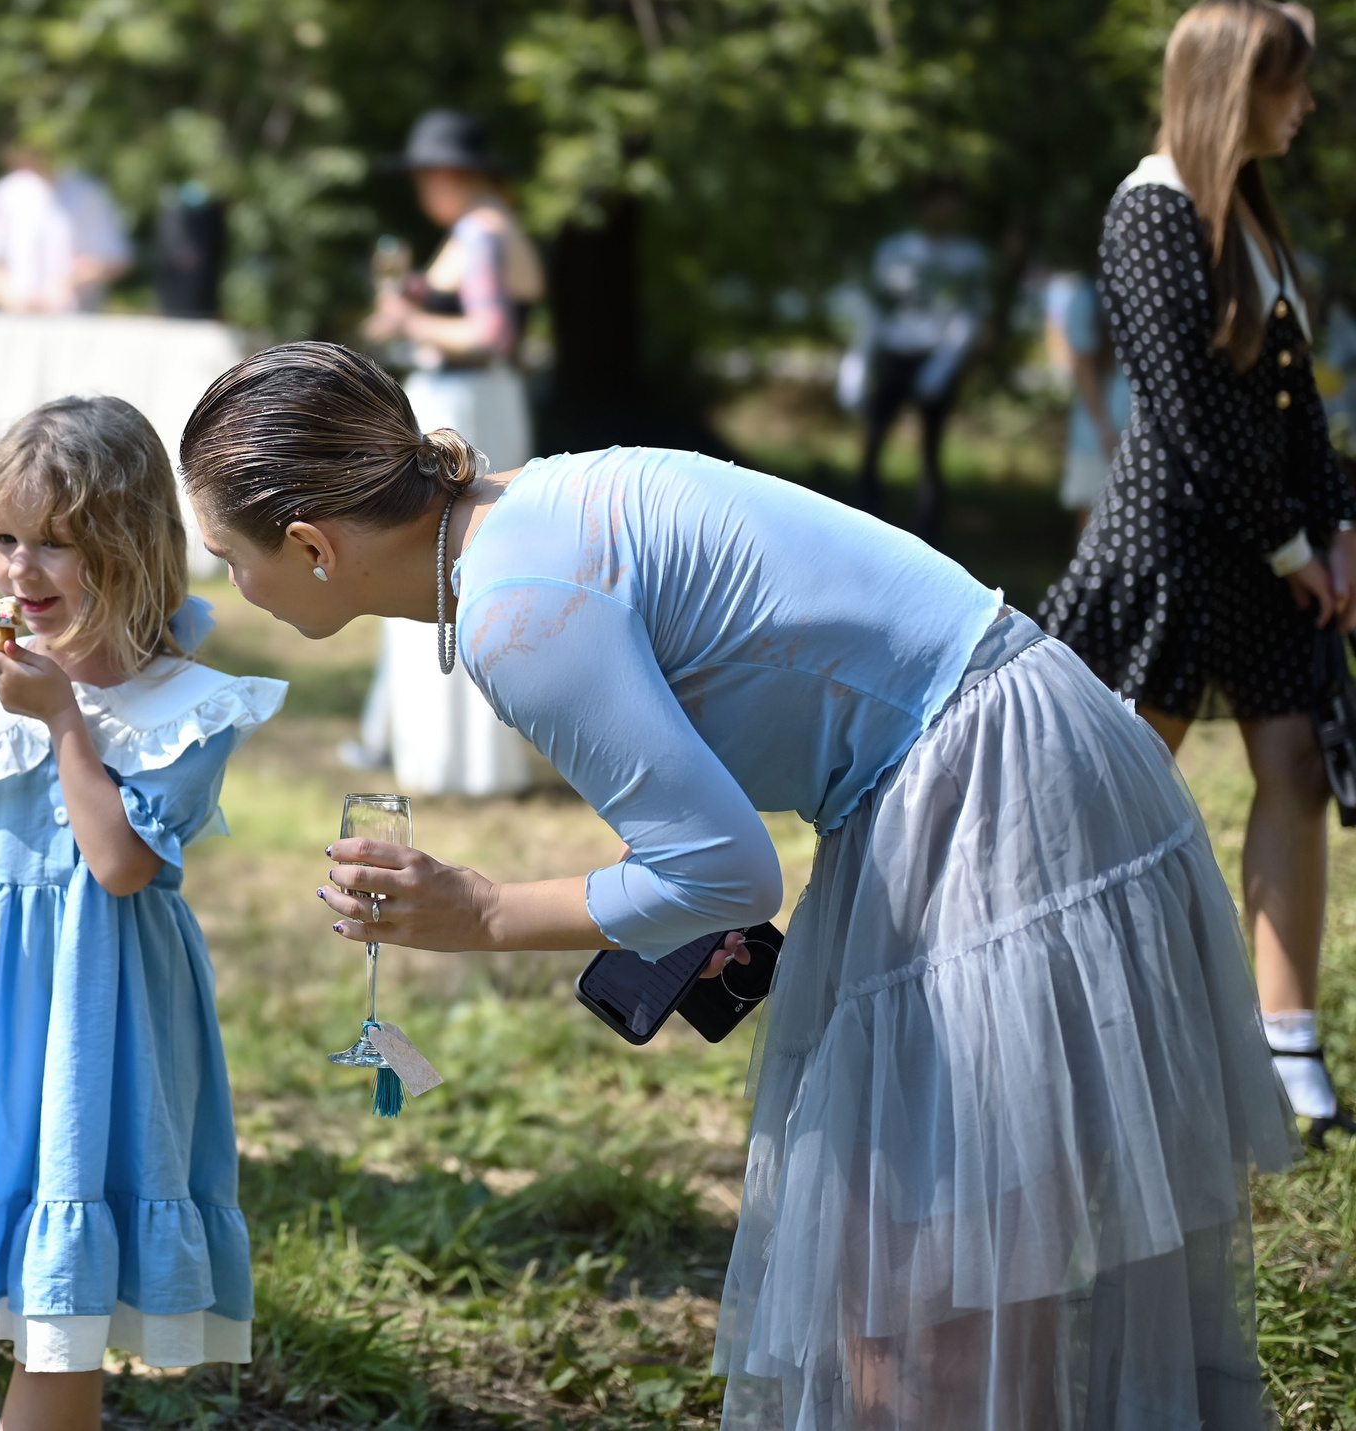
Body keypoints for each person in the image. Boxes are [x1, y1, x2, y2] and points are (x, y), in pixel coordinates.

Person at [178, 341, 1293, 1430]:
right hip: (990, 761)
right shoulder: (525, 508)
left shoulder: (515, 609)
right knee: (944, 1275)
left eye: (231, 555)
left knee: (923, 1303)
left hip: (995, 794)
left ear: (314, 546)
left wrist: (482, 910)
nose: (230, 584)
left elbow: (720, 870)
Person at [0, 396, 278, 1426]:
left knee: (69, 1292)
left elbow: (119, 865)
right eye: (4, 538)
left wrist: (62, 718)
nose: (20, 568)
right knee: (36, 1290)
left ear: (132, 548)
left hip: (110, 1031)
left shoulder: (179, 707)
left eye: (56, 543)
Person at [1042, 0, 1355, 1146]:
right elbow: (1180, 413)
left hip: (1263, 551)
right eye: (1287, 82)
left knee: (1297, 768)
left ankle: (1289, 1054)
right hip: (1170, 551)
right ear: (1231, 86)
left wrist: (1337, 529)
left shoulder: (1253, 220)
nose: (1305, 104)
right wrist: (1290, 543)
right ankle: (1068, 1052)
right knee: (1108, 799)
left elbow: (1290, 413)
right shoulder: (1150, 211)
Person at [346, 109, 542, 795]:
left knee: (441, 559)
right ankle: (440, 750)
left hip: (465, 407)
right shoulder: (487, 230)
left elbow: (490, 331)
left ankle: (457, 760)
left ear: (455, 175)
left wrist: (409, 318)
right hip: (473, 400)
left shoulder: (483, 235)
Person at [846, 181, 989, 541]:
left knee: (930, 452)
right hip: (896, 355)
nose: (946, 213)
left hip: (935, 357)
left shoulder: (969, 257)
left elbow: (969, 316)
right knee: (874, 441)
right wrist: (858, 360)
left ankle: (928, 538)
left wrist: (946, 363)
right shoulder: (895, 249)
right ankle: (865, 526)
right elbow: (876, 307)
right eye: (939, 204)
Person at [0, 144, 133, 313]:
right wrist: (13, 298)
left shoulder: (89, 191)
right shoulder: (7, 191)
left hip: (78, 320)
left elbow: (117, 259)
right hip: (17, 320)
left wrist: (73, 280)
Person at [1040, 268, 1129, 528]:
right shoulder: (1089, 295)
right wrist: (1105, 429)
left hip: (1128, 424)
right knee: (1093, 517)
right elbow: (1084, 368)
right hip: (1099, 430)